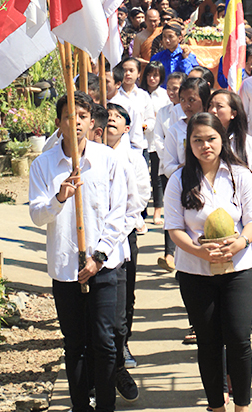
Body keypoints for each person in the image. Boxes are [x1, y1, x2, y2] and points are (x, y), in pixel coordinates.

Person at [29, 91, 127, 412]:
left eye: (83, 117)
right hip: (65, 267)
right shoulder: (43, 165)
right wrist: (58, 198)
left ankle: (105, 406)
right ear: (59, 123)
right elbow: (37, 214)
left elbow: (118, 213)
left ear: (91, 122)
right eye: (70, 117)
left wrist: (98, 256)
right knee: (75, 344)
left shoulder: (107, 159)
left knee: (104, 341)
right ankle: (80, 405)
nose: (77, 123)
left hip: (101, 266)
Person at [164, 113, 252, 412]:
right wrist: (200, 252)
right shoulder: (179, 179)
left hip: (239, 268)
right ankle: (216, 405)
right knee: (208, 341)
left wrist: (241, 242)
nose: (205, 145)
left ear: (223, 140)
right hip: (195, 271)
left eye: (211, 138)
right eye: (197, 140)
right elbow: (174, 228)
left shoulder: (240, 175)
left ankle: (242, 405)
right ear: (188, 143)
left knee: (238, 338)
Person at [103, 103, 151, 382]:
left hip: (124, 232)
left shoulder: (134, 158)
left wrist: (122, 226)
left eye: (117, 117)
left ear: (127, 127)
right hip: (97, 234)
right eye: (107, 116)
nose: (111, 120)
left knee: (125, 292)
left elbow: (141, 197)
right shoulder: (90, 154)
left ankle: (123, 344)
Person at [154, 71, 187, 272]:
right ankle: (169, 253)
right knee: (172, 210)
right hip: (170, 167)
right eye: (170, 88)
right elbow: (158, 138)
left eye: (176, 89)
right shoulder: (164, 112)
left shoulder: (187, 113)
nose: (172, 92)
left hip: (186, 168)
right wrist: (169, 156)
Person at [208, 89, 252, 194]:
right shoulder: (203, 142)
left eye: (219, 106)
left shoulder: (249, 144)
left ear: (233, 113)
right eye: (210, 106)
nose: (213, 110)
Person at [140, 61, 171, 225]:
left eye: (156, 75)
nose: (152, 78)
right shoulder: (140, 94)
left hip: (158, 140)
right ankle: (142, 210)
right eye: (150, 75)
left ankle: (158, 210)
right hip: (143, 140)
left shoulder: (164, 96)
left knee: (157, 177)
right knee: (144, 176)